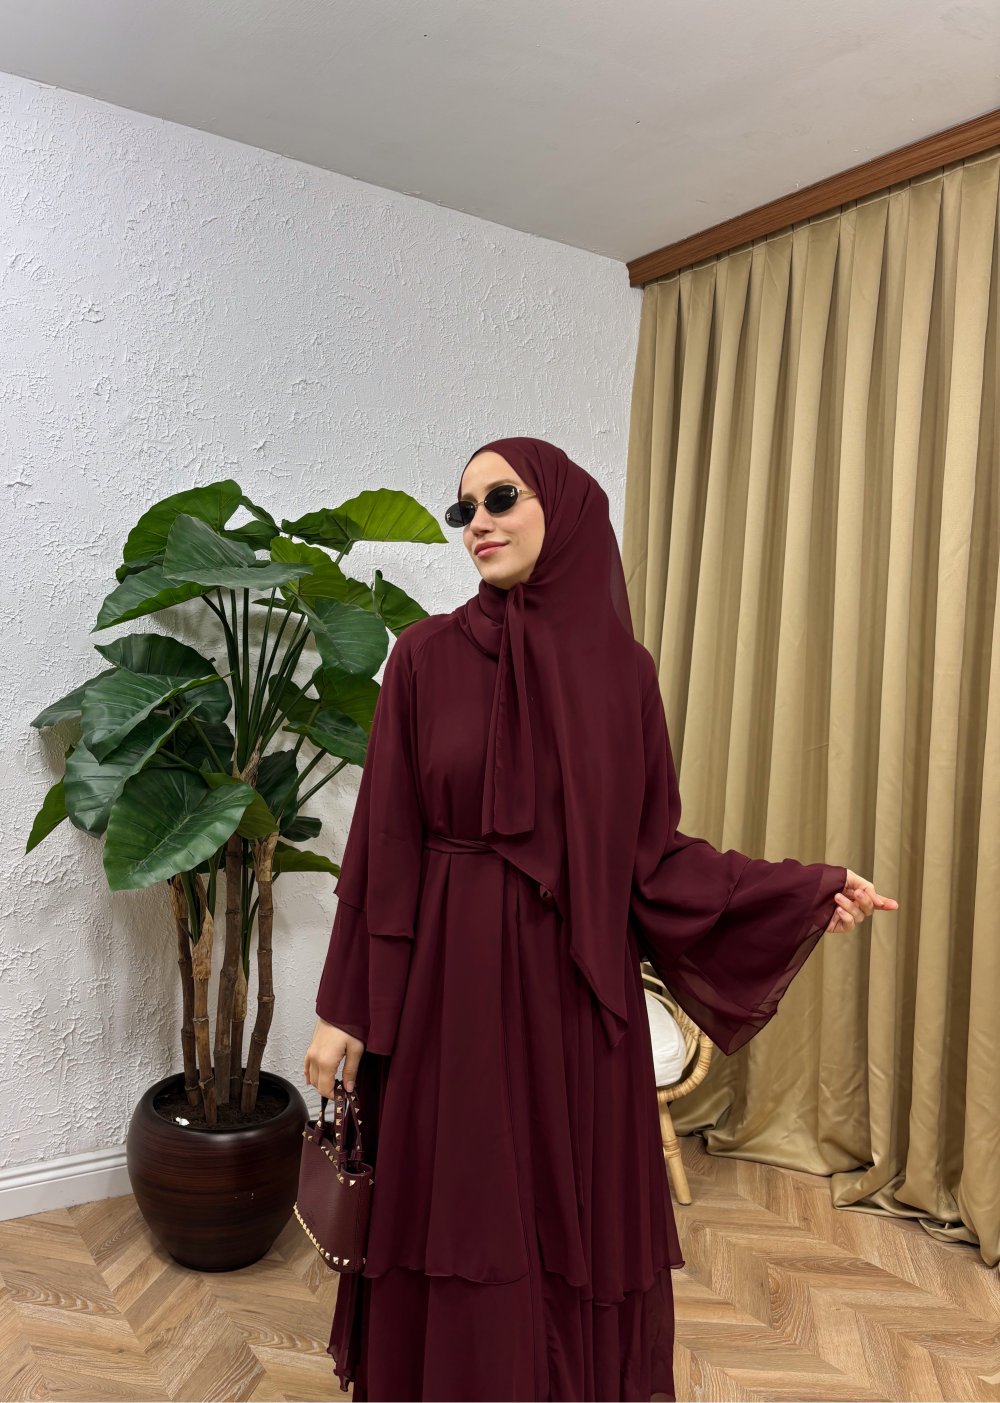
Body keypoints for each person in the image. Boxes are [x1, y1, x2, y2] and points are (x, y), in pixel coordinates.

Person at [303, 437, 897, 1402]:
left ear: (566, 507)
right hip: (449, 988)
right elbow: (383, 848)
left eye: (501, 497)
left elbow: (651, 856)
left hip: (573, 994)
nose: (478, 522)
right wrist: (346, 1008)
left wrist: (800, 889)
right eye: (463, 510)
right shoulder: (422, 659)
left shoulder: (624, 674)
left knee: (562, 1214)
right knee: (459, 1210)